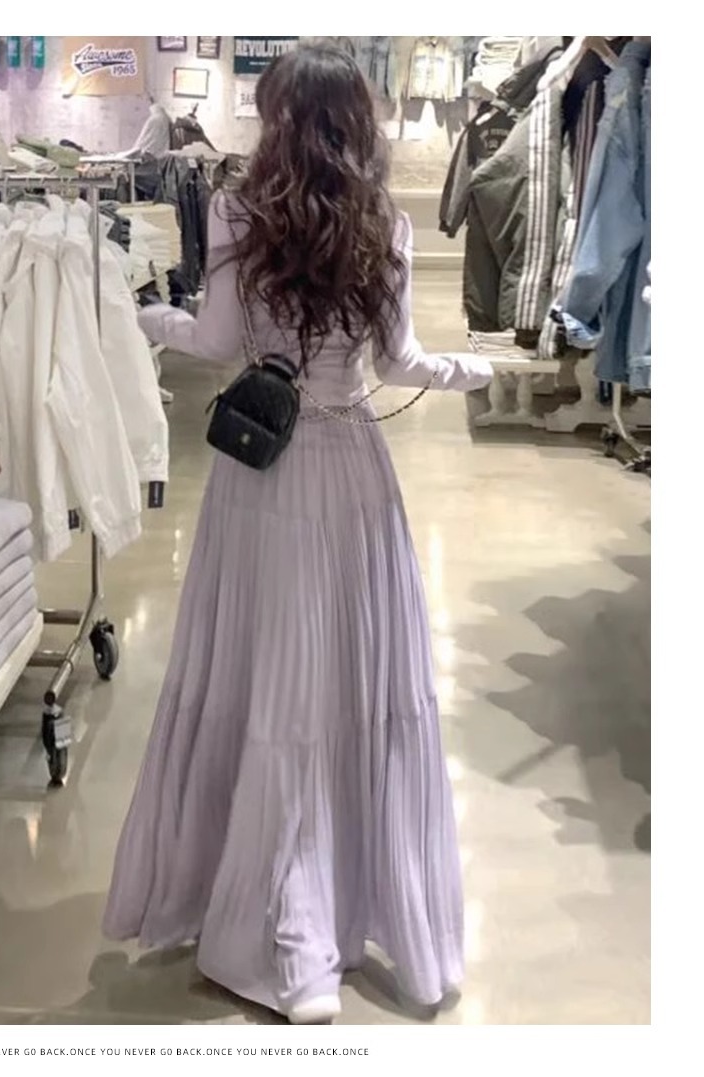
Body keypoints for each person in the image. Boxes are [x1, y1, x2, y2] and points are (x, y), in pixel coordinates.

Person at [103, 43, 492, 1024]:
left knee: (264, 680)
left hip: (263, 476)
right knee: (345, 686)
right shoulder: (383, 223)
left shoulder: (239, 213)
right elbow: (399, 364)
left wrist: (145, 319)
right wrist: (473, 371)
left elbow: (215, 343)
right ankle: (326, 912)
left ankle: (276, 922)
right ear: (358, 121)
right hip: (351, 467)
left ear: (279, 118)